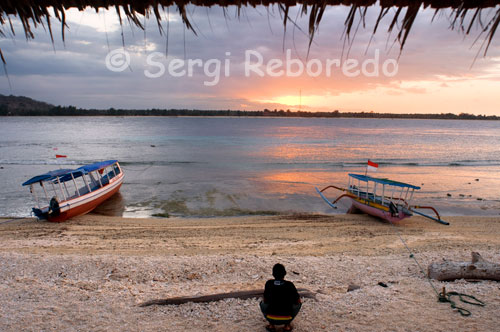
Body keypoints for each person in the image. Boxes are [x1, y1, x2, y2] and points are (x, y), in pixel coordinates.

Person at [260, 263, 301, 331]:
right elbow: (298, 301)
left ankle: (271, 325)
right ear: (284, 273)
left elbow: (265, 300)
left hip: (271, 317)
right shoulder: (290, 285)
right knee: (298, 304)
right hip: (286, 317)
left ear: (273, 274)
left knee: (262, 303)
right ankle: (287, 325)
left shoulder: (269, 283)